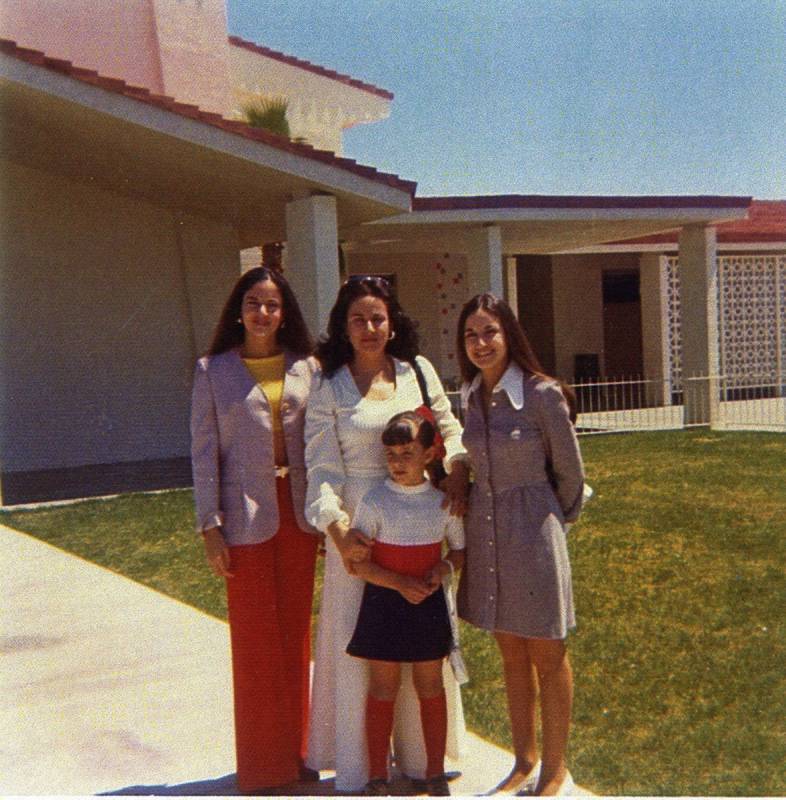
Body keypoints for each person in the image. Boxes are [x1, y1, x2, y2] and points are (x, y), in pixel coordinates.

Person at [303, 275, 470, 793]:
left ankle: (425, 764)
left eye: (378, 318)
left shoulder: (416, 372)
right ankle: (365, 768)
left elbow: (450, 431)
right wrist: (338, 529)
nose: (370, 328)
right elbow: (320, 468)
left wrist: (457, 476)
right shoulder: (328, 385)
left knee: (420, 647)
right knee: (366, 653)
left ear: (392, 322)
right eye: (358, 320)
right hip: (358, 529)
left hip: (418, 515)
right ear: (343, 327)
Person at [190, 267, 320, 793]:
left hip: (298, 515)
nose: (262, 313)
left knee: (295, 640)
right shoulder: (211, 370)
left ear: (285, 311)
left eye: (272, 304)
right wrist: (209, 527)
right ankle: (264, 768)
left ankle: (300, 754)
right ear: (238, 309)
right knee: (254, 644)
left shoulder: (308, 367)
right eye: (253, 303)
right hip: (241, 521)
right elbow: (203, 455)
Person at [455, 293, 585, 797]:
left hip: (533, 532)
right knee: (510, 652)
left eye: (490, 332)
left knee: (548, 654)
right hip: (487, 535)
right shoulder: (470, 397)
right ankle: (523, 760)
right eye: (471, 335)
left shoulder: (542, 394)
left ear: (508, 335)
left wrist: (551, 524)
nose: (481, 343)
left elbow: (570, 475)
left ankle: (555, 769)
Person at [346, 411, 466, 796]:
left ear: (430, 454)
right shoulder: (375, 500)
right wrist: (400, 583)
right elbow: (358, 566)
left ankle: (434, 771)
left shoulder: (442, 503)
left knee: (431, 685)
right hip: (385, 602)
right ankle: (377, 775)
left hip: (427, 603)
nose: (397, 462)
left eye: (408, 453)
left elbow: (460, 551)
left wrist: (443, 568)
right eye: (391, 454)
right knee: (383, 687)